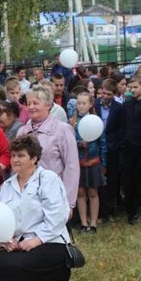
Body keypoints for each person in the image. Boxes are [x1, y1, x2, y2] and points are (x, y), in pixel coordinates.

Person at [0, 135, 72, 281]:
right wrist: (4, 238)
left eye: (21, 156)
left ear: (34, 158)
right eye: (13, 156)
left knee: (19, 265)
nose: (15, 160)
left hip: (51, 242)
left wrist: (37, 239)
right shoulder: (6, 186)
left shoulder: (48, 179)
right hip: (17, 242)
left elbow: (58, 216)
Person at [17, 85, 80, 213]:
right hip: (28, 196)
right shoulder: (22, 131)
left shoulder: (63, 129)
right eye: (29, 103)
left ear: (48, 105)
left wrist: (69, 202)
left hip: (54, 195)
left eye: (35, 103)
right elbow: (16, 165)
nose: (31, 107)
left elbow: (71, 166)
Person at [70, 92, 106, 234]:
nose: (81, 106)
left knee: (92, 191)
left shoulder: (96, 121)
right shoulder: (72, 122)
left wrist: (104, 163)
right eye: (78, 103)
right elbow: (70, 141)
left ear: (90, 104)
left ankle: (93, 222)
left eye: (84, 103)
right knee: (80, 192)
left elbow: (102, 144)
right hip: (78, 162)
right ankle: (84, 222)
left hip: (93, 162)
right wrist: (79, 143)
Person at [94, 79, 124, 221]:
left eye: (109, 94)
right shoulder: (94, 105)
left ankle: (111, 209)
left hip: (112, 148)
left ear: (114, 94)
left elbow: (121, 129)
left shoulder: (118, 108)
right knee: (98, 180)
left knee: (112, 179)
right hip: (97, 147)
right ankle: (100, 211)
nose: (105, 97)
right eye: (103, 93)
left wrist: (115, 145)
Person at [121, 76, 141, 225]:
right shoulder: (127, 104)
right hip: (129, 147)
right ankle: (131, 212)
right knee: (129, 180)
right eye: (130, 87)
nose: (132, 90)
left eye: (135, 87)